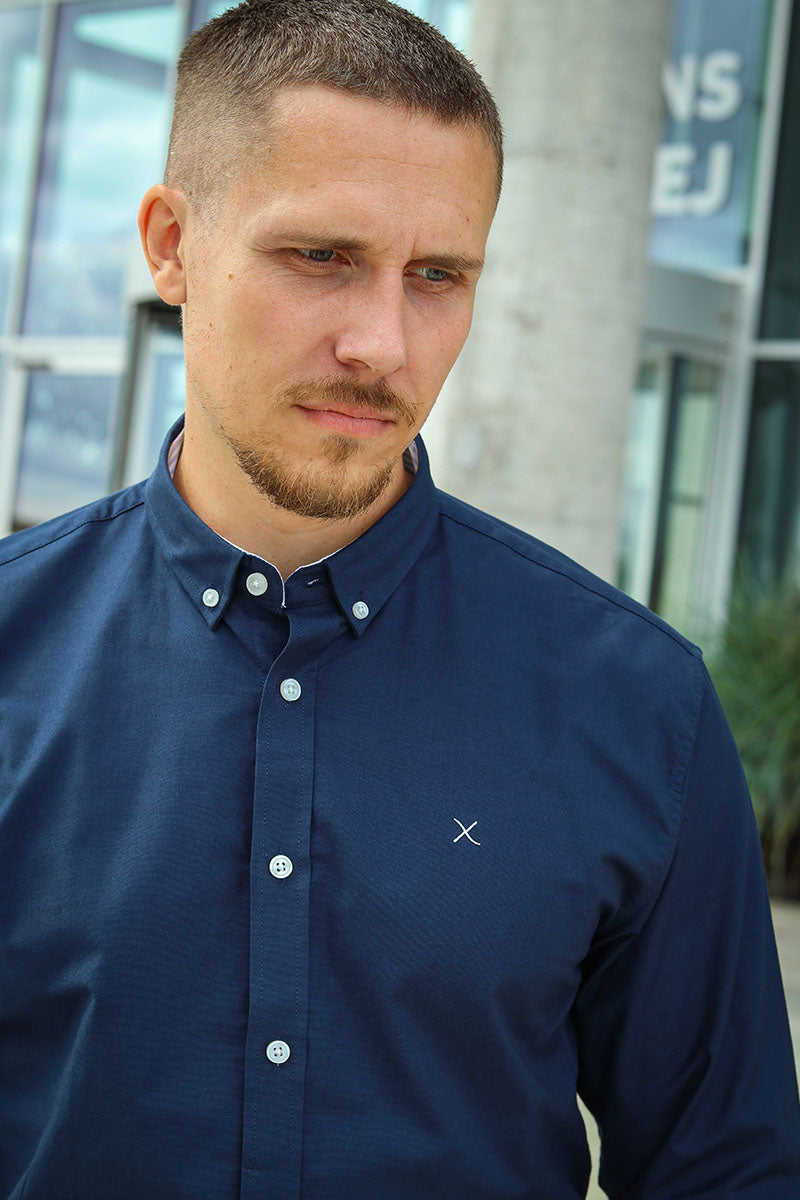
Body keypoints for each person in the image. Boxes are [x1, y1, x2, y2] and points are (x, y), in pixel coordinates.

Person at [1, 1, 798, 1196]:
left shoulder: (636, 704)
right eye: (321, 256)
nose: (382, 343)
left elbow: (724, 1172)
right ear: (171, 244)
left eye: (436, 276)